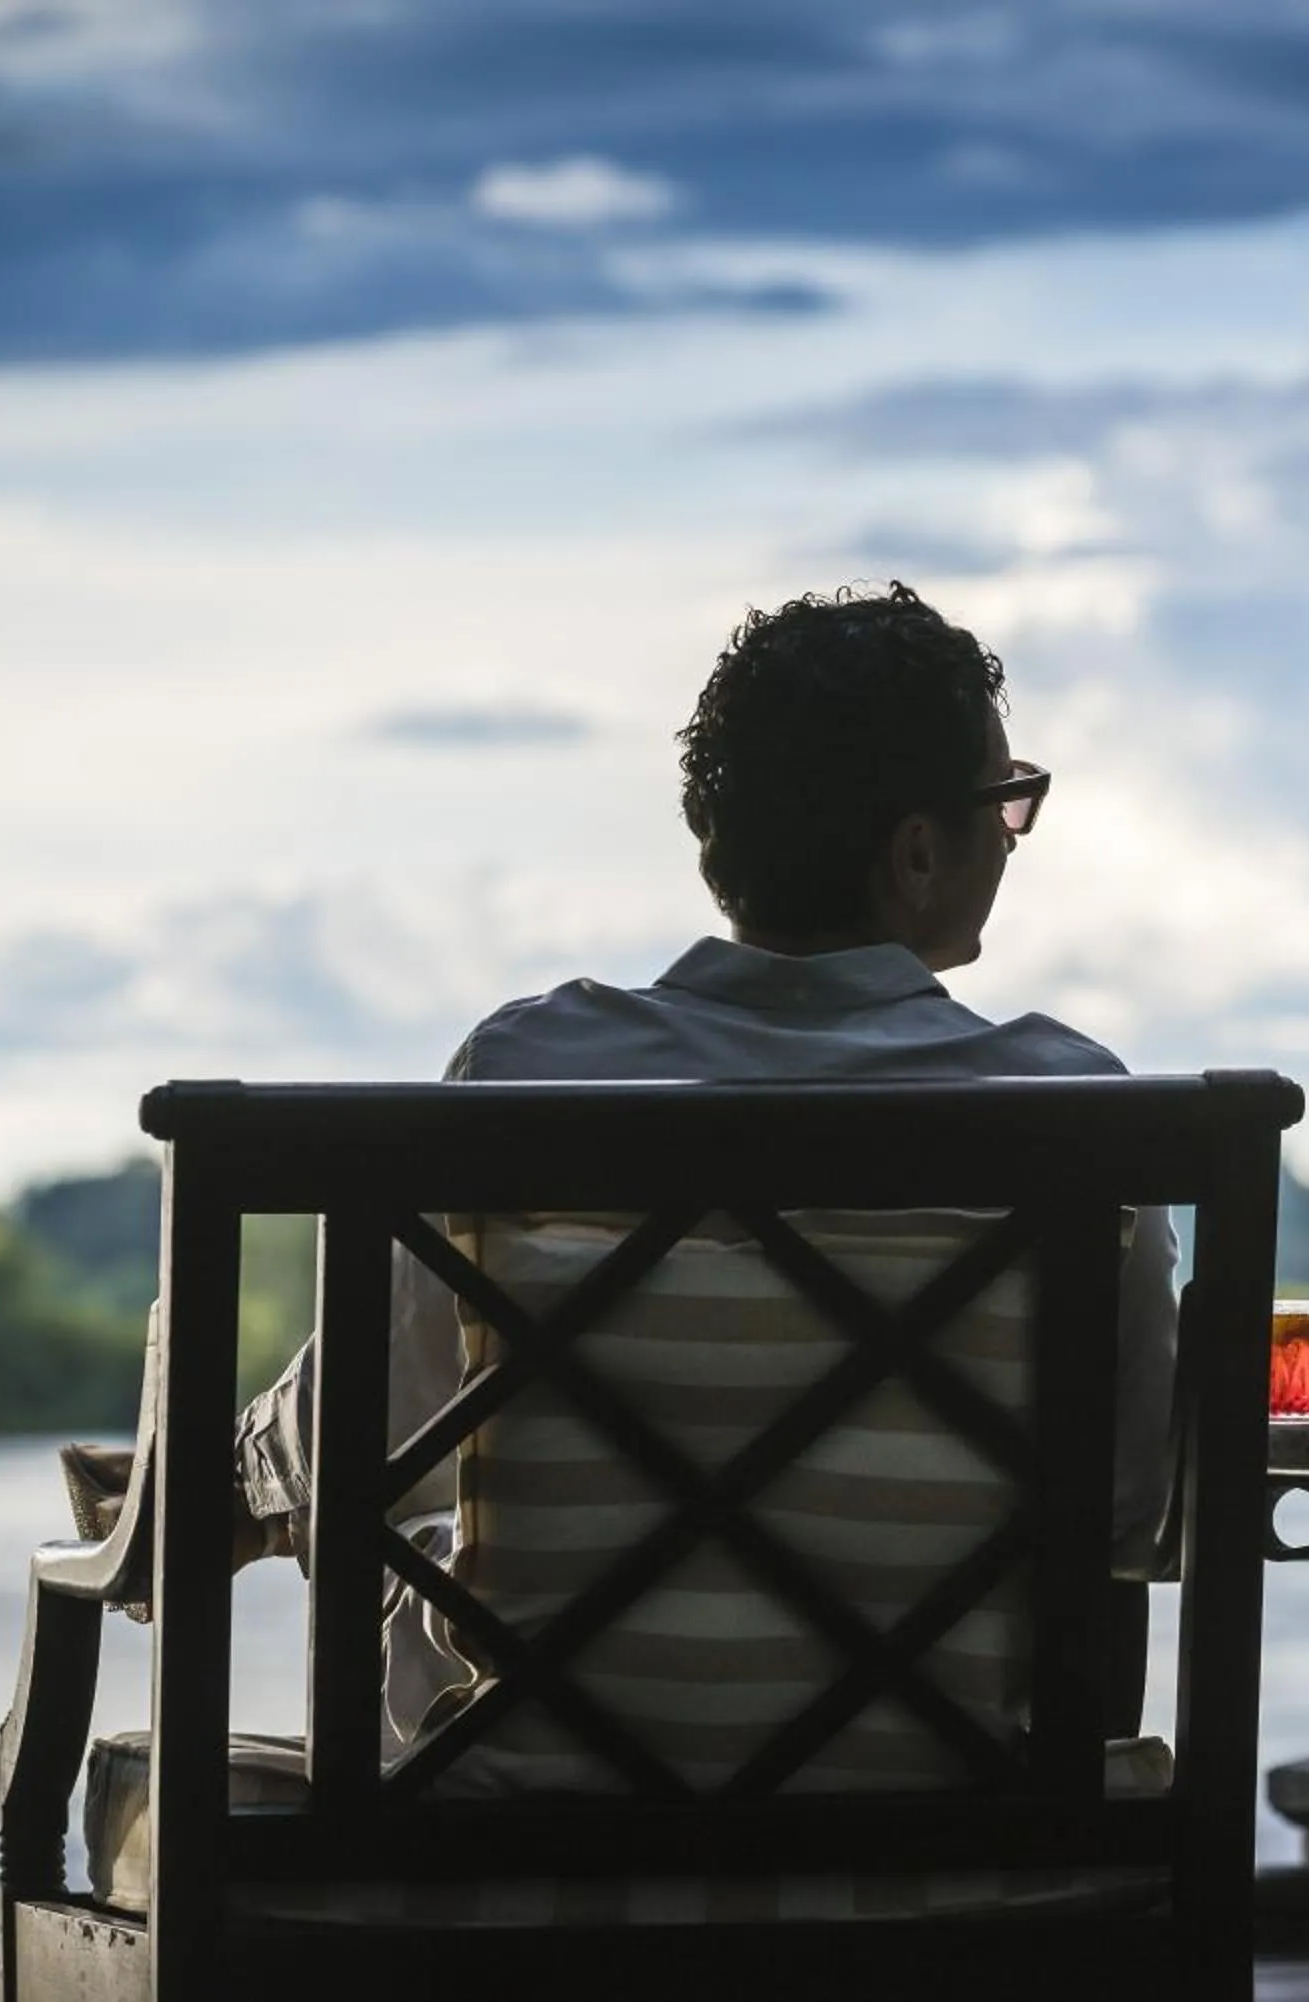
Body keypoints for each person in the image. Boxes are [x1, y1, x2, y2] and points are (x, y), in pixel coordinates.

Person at [224, 580, 1179, 1748]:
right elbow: (1125, 1508)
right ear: (918, 852)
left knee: (425, 1546)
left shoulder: (533, 1073)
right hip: (943, 1822)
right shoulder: (1075, 1113)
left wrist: (235, 1477)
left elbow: (360, 1438)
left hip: (541, 1836)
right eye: (1007, 802)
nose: (1013, 835)